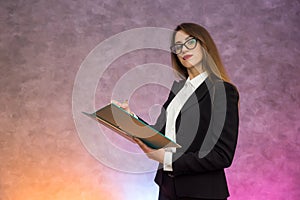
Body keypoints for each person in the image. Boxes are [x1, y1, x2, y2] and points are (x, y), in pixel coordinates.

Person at [113, 23, 239, 200]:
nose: (183, 50)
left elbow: (221, 155)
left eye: (190, 42)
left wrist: (167, 159)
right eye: (178, 46)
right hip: (167, 189)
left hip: (201, 193)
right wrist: (128, 118)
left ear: (205, 45)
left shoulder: (222, 91)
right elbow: (159, 134)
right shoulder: (179, 90)